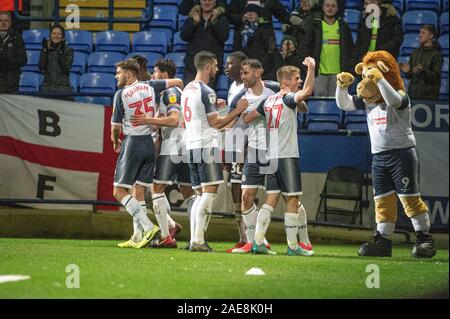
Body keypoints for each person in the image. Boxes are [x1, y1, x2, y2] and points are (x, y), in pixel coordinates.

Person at [335, 50, 436, 258]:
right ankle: (383, 240)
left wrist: (379, 79)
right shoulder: (368, 101)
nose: (364, 85)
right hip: (379, 157)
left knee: (410, 199)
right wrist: (341, 86)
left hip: (402, 155)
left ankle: (424, 239)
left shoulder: (400, 95)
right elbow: (343, 104)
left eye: (369, 78)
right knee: (382, 201)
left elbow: (392, 101)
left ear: (384, 75)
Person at [243, 59, 316, 256]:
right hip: (287, 156)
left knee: (271, 199)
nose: (299, 81)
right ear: (287, 80)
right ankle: (293, 247)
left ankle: (257, 242)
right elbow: (307, 92)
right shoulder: (287, 98)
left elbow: (247, 118)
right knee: (292, 200)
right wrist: (311, 67)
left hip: (270, 156)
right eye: (297, 78)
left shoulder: (268, 100)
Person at [111, 59, 183, 249]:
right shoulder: (151, 86)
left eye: (118, 73)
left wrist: (115, 139)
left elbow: (115, 127)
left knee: (119, 191)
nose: (116, 76)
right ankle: (138, 236)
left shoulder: (121, 94)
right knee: (139, 190)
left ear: (129, 74)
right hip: (150, 144)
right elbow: (178, 82)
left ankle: (150, 228)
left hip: (134, 143)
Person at [181, 51, 247, 252]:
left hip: (191, 145)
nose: (218, 69)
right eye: (216, 65)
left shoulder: (187, 88)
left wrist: (216, 108)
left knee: (199, 196)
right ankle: (198, 241)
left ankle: (193, 239)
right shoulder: (206, 90)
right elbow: (216, 123)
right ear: (208, 67)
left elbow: (192, 119)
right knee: (209, 195)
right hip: (206, 145)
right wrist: (237, 110)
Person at [131, 59, 195, 248]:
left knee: (156, 189)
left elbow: (174, 119)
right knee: (189, 193)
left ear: (165, 75)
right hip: (186, 144)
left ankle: (166, 236)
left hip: (174, 144)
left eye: (156, 72)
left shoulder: (170, 92)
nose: (153, 76)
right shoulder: (179, 92)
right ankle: (196, 237)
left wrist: (148, 119)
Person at [226, 58, 279, 254]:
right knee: (246, 197)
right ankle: (253, 241)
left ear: (258, 72)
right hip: (254, 151)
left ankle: (300, 241)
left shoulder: (274, 89)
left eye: (246, 73)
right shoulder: (240, 97)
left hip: (275, 149)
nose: (242, 77)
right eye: (241, 73)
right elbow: (233, 124)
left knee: (290, 197)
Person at [222, 51, 248, 252]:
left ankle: (253, 235)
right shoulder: (233, 87)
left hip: (249, 145)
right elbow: (232, 120)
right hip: (234, 144)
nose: (226, 66)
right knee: (235, 187)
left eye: (230, 63)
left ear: (242, 66)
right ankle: (243, 236)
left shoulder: (251, 88)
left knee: (247, 188)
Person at [302, 0, 353, 96]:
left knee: (336, 106)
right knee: (319, 105)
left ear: (337, 8)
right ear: (323, 8)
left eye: (333, 6)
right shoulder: (315, 26)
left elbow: (350, 49)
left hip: (338, 74)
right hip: (319, 74)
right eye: (327, 5)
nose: (330, 8)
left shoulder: (343, 26)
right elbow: (307, 46)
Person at [180, 0, 229, 87]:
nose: (207, 2)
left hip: (211, 68)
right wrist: (194, 23)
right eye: (204, 0)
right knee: (189, 95)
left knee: (207, 97)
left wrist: (214, 22)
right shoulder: (192, 17)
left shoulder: (222, 19)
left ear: (215, 1)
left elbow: (224, 37)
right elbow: (184, 36)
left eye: (210, 0)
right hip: (192, 66)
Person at [232, 2, 277, 80]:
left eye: (253, 12)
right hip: (244, 68)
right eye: (248, 12)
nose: (250, 14)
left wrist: (261, 66)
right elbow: (236, 48)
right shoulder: (241, 29)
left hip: (261, 68)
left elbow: (271, 50)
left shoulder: (266, 28)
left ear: (258, 15)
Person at [399, 25, 443, 100]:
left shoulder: (436, 54)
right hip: (413, 95)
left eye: (423, 32)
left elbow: (436, 77)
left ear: (431, 35)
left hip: (429, 97)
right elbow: (410, 76)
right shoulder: (415, 52)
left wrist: (422, 71)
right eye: (420, 32)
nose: (419, 35)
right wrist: (407, 71)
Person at [38, 24, 74, 100]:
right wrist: (45, 51)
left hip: (62, 89)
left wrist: (61, 53)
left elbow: (66, 69)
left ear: (62, 37)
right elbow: (41, 67)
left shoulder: (68, 50)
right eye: (53, 33)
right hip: (47, 88)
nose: (56, 36)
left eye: (59, 34)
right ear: (50, 36)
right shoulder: (45, 49)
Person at [0, 11, 27, 94]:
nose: (3, 23)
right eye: (0, 20)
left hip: (11, 84)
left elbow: (23, 60)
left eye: (6, 20)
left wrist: (9, 62)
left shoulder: (17, 38)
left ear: (10, 22)